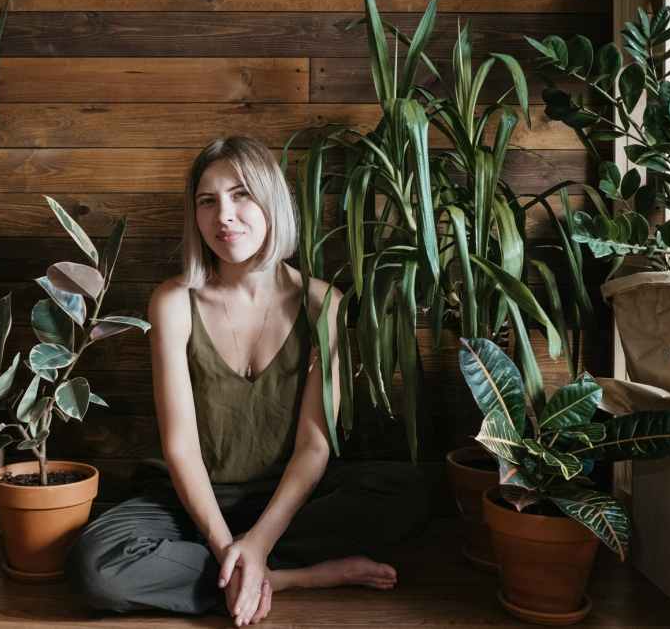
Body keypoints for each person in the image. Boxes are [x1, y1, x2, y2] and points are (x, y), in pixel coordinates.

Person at [65, 136, 429, 625]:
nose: (225, 216)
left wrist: (258, 540)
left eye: (241, 195)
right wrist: (225, 544)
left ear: (272, 201)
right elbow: (181, 450)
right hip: (191, 500)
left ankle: (250, 564)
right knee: (97, 566)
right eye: (207, 201)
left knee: (406, 492)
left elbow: (313, 447)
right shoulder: (174, 302)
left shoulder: (324, 304)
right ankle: (289, 578)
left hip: (287, 499)